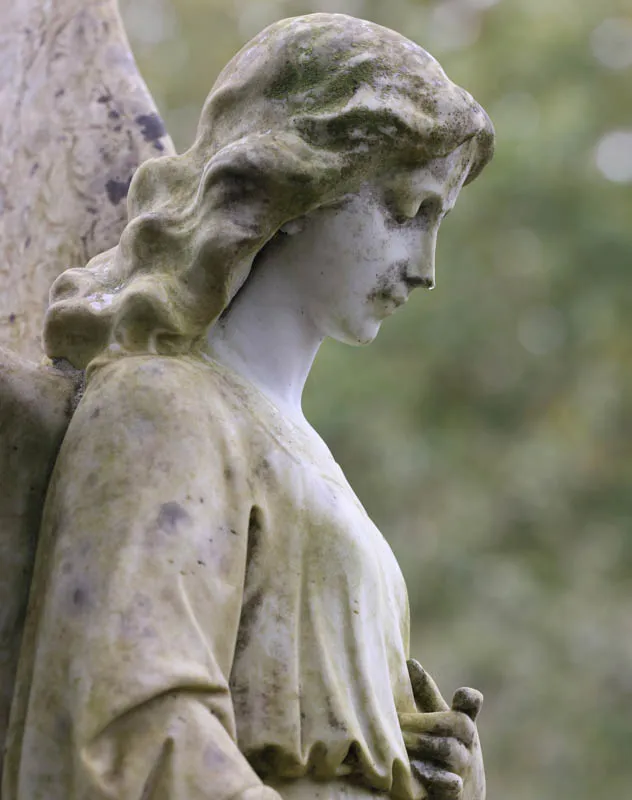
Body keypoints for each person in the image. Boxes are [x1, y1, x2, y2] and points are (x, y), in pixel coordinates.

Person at [2, 13, 494, 800]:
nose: (425, 267)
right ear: (298, 186)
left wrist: (427, 771)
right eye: (406, 211)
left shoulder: (304, 453)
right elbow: (129, 739)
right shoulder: (164, 407)